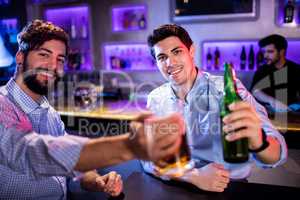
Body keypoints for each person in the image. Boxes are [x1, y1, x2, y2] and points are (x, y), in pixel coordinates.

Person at [0, 20, 184, 199]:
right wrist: (129, 146)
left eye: (60, 59)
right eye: (44, 54)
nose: (53, 66)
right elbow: (34, 152)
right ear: (20, 57)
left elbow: (73, 169)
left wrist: (97, 180)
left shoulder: (49, 113)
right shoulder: (3, 105)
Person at [141, 24, 287, 192]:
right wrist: (193, 175)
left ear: (191, 51)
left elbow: (276, 154)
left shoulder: (227, 89)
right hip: (175, 185)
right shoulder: (155, 98)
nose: (170, 63)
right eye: (162, 57)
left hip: (227, 187)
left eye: (177, 51)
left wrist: (258, 141)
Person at [250, 34, 300, 113]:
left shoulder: (296, 69)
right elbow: (255, 91)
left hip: (290, 113)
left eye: (270, 52)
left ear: (281, 52)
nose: (265, 55)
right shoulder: (262, 70)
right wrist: (272, 101)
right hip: (266, 114)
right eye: (264, 52)